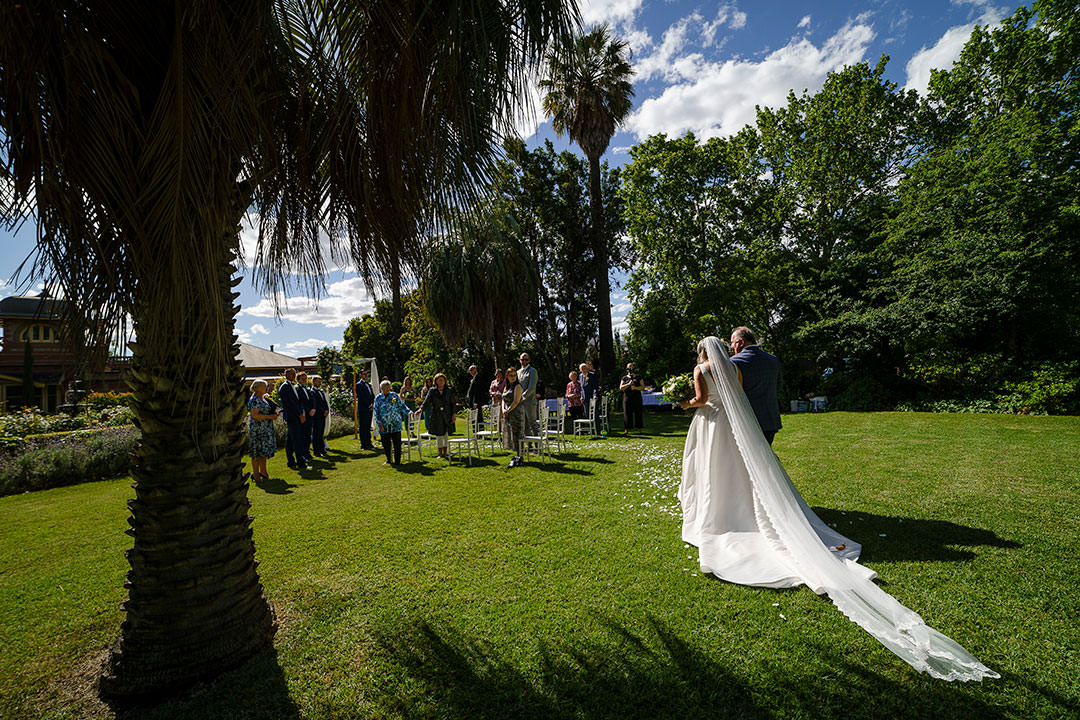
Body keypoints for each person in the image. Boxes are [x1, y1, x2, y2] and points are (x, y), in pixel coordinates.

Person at [678, 336, 998, 682]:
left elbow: (702, 399)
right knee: (746, 472)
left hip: (713, 425)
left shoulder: (701, 368)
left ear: (702, 352)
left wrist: (682, 404)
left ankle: (720, 514)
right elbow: (737, 398)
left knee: (716, 470)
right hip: (738, 426)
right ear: (725, 349)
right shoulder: (735, 368)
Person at [729, 326, 782, 445]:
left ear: (741, 342)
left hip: (748, 420)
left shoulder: (734, 362)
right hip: (770, 419)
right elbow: (778, 386)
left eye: (733, 343)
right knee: (766, 457)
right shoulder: (773, 359)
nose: (732, 347)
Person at [417, 372, 456, 460]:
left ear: (445, 381)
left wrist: (454, 414)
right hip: (436, 415)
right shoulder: (432, 390)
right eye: (439, 380)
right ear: (436, 381)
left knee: (445, 434)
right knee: (439, 434)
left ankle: (445, 453)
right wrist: (421, 409)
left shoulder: (449, 390)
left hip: (447, 414)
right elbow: (426, 401)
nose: (441, 381)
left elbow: (453, 403)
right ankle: (439, 453)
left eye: (443, 380)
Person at [247, 380, 278, 482]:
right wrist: (269, 416)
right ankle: (256, 475)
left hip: (266, 428)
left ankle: (264, 473)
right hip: (258, 430)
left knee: (263, 452)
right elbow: (255, 415)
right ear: (259, 388)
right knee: (257, 452)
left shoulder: (263, 398)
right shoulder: (255, 399)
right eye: (264, 386)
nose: (266, 388)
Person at [373, 379, 410, 466]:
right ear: (381, 389)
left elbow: (401, 406)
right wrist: (379, 423)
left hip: (395, 423)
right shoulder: (378, 398)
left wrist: (409, 412)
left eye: (388, 388)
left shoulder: (394, 396)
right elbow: (376, 412)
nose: (387, 390)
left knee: (397, 443)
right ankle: (389, 459)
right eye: (385, 388)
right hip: (384, 424)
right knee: (386, 443)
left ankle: (397, 461)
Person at [278, 368, 308, 470]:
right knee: (297, 439)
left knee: (290, 439)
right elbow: (290, 404)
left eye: (294, 374)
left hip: (298, 415)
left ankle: (290, 461)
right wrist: (299, 414)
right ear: (286, 375)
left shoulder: (293, 386)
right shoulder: (284, 387)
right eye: (291, 374)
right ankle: (301, 461)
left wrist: (302, 412)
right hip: (292, 416)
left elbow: (298, 401)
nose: (293, 375)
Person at [501, 366, 525, 466]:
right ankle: (516, 456)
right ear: (507, 376)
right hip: (508, 413)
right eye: (511, 375)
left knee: (517, 434)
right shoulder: (507, 386)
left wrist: (508, 410)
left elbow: (516, 401)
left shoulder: (518, 386)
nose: (513, 377)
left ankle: (520, 456)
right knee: (511, 434)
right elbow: (503, 399)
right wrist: (503, 410)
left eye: (515, 375)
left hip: (516, 413)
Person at [619, 362, 645, 434]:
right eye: (629, 367)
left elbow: (643, 387)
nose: (630, 369)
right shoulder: (624, 378)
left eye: (631, 367)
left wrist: (635, 388)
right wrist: (628, 384)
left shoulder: (638, 377)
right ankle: (626, 429)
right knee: (627, 413)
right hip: (627, 398)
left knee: (638, 413)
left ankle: (639, 430)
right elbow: (621, 387)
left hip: (637, 398)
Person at [354, 368, 376, 450]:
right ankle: (364, 444)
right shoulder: (359, 385)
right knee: (363, 427)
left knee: (368, 426)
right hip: (363, 408)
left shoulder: (368, 385)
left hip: (370, 408)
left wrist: (373, 403)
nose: (366, 376)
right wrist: (369, 405)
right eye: (364, 374)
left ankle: (369, 443)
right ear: (360, 375)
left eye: (367, 374)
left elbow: (372, 395)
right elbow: (361, 397)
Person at [296, 371, 316, 462]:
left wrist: (313, 409)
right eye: (303, 379)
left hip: (310, 414)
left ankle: (307, 452)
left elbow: (312, 399)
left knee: (308, 434)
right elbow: (300, 402)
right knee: (302, 435)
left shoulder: (307, 388)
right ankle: (303, 453)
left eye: (305, 378)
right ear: (298, 379)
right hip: (304, 415)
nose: (304, 380)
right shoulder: (297, 389)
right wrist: (307, 411)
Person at [517, 352, 538, 436]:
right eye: (522, 359)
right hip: (519, 403)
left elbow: (531, 388)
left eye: (526, 359)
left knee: (532, 424)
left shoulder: (532, 371)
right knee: (524, 425)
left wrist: (521, 397)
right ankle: (529, 445)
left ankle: (537, 445)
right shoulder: (518, 372)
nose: (524, 361)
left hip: (529, 402)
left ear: (529, 360)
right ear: (519, 360)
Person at [309, 375, 331, 456]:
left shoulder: (321, 391)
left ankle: (322, 449)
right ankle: (316, 451)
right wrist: (322, 411)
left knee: (321, 432)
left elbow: (324, 402)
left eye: (320, 381)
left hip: (322, 415)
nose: (320, 383)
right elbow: (315, 404)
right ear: (313, 382)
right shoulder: (312, 392)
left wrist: (327, 410)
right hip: (317, 415)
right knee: (316, 433)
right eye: (318, 381)